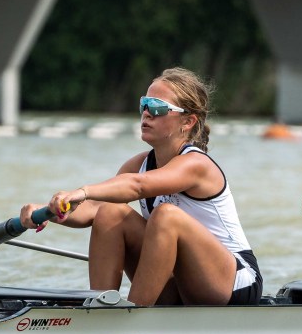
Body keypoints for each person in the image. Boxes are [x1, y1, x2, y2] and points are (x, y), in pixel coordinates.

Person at [19, 67, 263, 307]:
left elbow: (137, 186)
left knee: (166, 216)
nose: (146, 114)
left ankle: (134, 315)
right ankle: (100, 309)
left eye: (157, 107)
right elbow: (92, 208)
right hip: (180, 280)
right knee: (110, 212)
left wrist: (81, 191)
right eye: (144, 104)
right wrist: (46, 211)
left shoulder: (197, 165)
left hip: (234, 282)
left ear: (187, 121)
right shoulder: (139, 164)